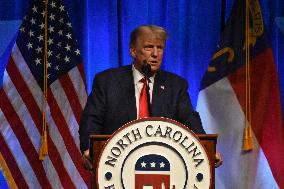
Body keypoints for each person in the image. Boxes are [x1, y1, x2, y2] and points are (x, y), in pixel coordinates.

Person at [79, 25, 222, 170]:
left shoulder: (176, 85)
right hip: (116, 165)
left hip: (162, 165)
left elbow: (190, 120)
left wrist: (207, 149)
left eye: (159, 48)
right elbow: (91, 119)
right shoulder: (107, 81)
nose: (155, 54)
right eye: (148, 47)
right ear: (133, 51)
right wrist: (88, 149)